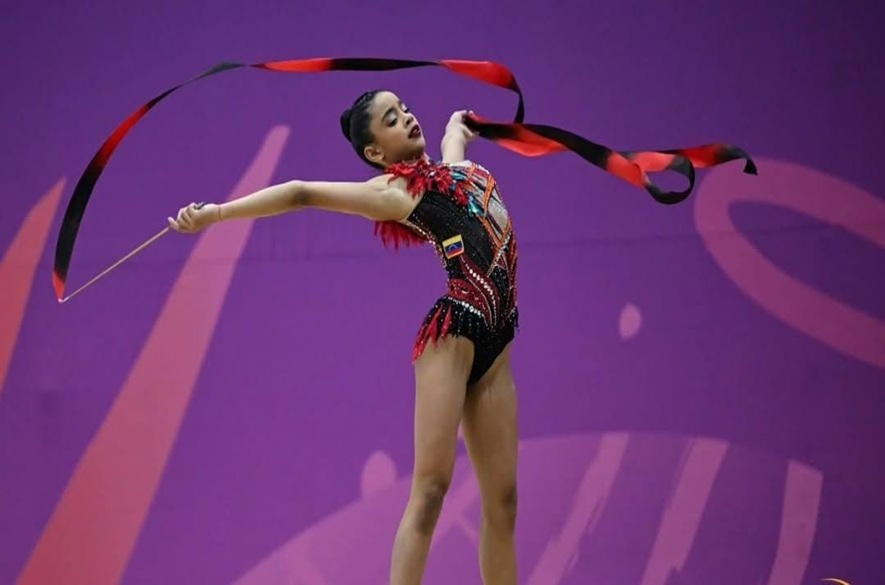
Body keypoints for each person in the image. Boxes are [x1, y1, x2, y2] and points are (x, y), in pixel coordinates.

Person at [167, 89, 520, 585]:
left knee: (504, 503)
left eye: (406, 110)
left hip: (497, 344)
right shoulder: (394, 195)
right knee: (432, 491)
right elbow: (298, 192)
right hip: (455, 333)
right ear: (376, 152)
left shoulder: (457, 172)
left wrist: (459, 127)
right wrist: (214, 215)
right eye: (392, 120)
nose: (407, 119)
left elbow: (453, 145)